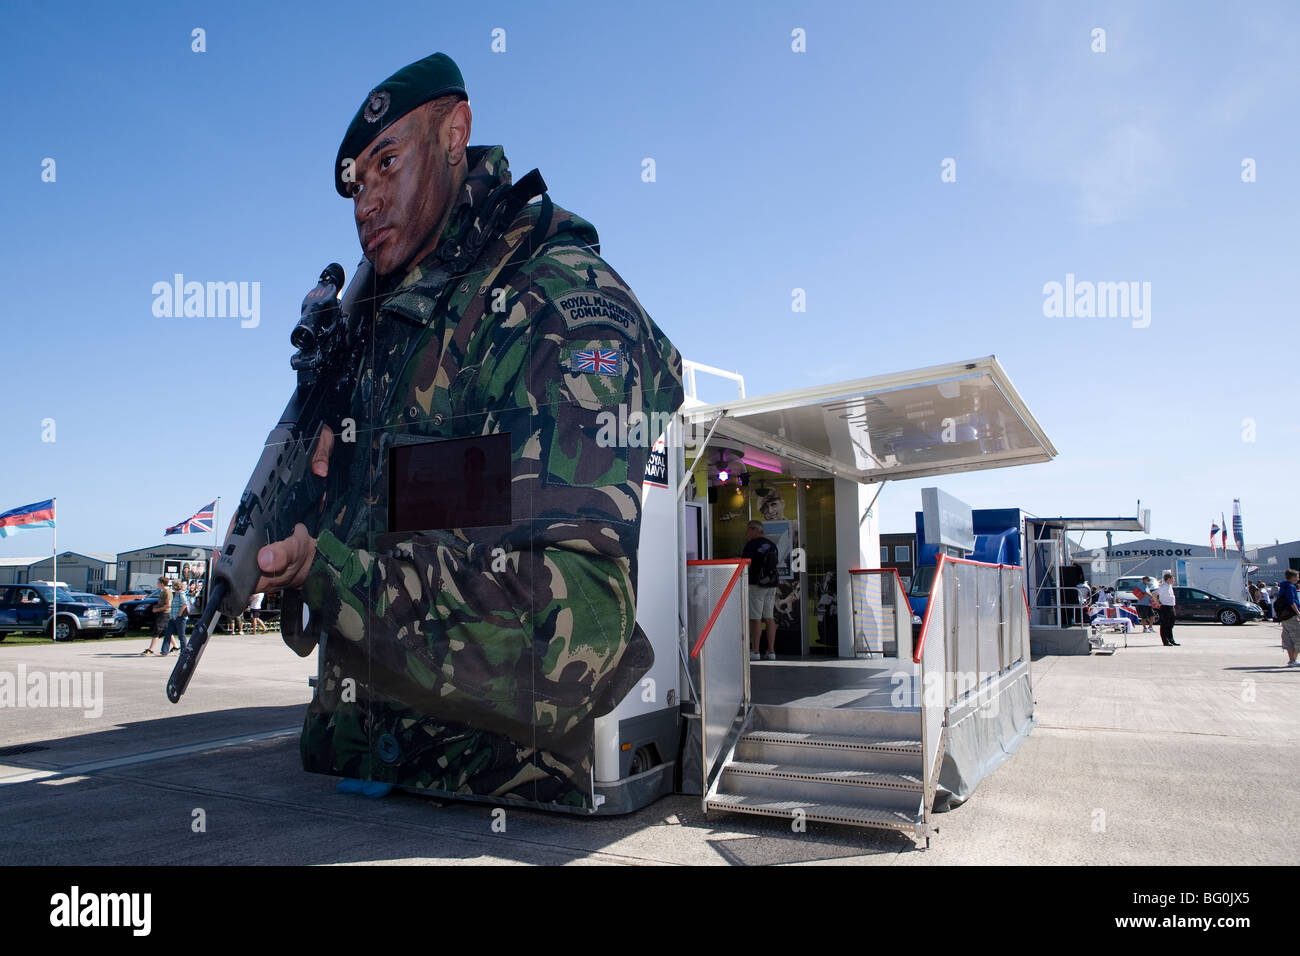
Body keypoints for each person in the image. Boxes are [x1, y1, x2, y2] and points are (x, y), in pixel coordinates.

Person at [249, 53, 683, 807]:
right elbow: (396, 544)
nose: (365, 200)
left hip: (484, 812)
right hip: (352, 789)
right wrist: (305, 539)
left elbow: (566, 641)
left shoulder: (555, 307)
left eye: (387, 163)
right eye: (356, 183)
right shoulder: (387, 337)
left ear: (456, 134)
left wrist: (333, 573)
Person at [742, 521, 780, 661]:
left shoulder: (751, 545)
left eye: (748, 530)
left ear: (754, 530)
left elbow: (746, 564)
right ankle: (771, 652)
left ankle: (755, 651)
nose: (747, 533)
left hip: (756, 584)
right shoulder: (772, 545)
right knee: (769, 618)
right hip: (771, 584)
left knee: (755, 618)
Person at [140, 577, 172, 656]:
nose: (157, 584)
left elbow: (168, 605)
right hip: (161, 612)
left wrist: (157, 610)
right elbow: (161, 603)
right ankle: (176, 647)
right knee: (166, 631)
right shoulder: (162, 592)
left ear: (162, 583)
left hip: (165, 614)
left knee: (157, 630)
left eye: (158, 583)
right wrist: (156, 607)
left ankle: (150, 649)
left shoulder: (168, 592)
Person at [1277, 570, 1300, 667]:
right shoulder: (1291, 587)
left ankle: (1291, 660)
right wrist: (1298, 613)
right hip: (1292, 616)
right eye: (1297, 576)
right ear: (1292, 577)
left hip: (1284, 616)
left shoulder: (1283, 586)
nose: (1298, 578)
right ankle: (1294, 660)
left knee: (1288, 639)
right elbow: (1291, 601)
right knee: (1297, 637)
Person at [1151, 571, 1179, 646]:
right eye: (1172, 579)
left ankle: (1171, 639)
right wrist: (1157, 603)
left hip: (1171, 606)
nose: (1173, 580)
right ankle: (1165, 641)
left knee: (1170, 624)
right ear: (1168, 579)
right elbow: (1154, 594)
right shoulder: (1163, 587)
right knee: (1164, 625)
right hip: (1165, 607)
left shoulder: (1169, 586)